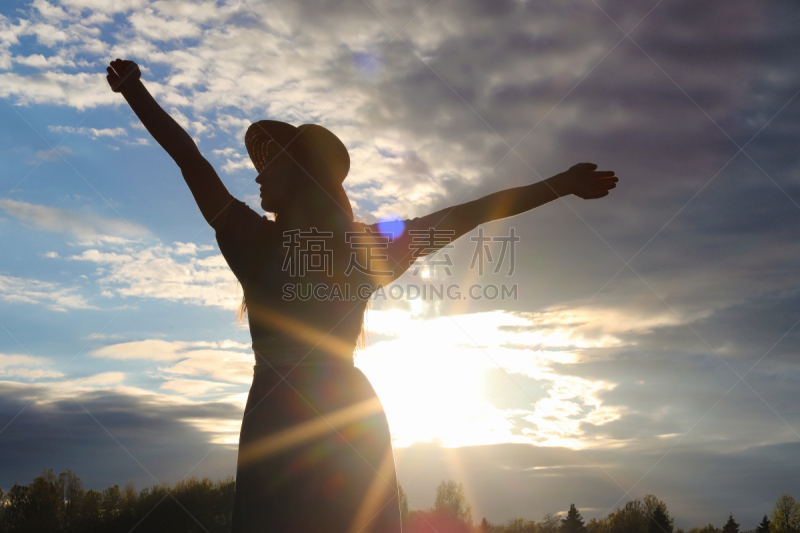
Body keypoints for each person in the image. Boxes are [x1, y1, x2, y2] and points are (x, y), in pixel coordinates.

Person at [106, 58, 618, 533]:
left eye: (273, 163)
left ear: (304, 173)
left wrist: (136, 92)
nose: (259, 174)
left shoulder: (256, 242)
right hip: (347, 413)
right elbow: (468, 215)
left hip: (279, 415)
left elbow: (190, 159)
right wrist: (561, 184)